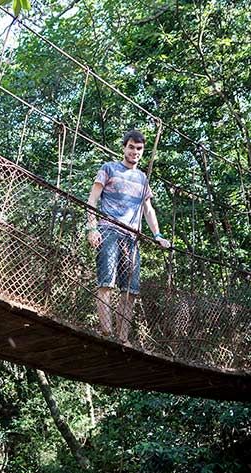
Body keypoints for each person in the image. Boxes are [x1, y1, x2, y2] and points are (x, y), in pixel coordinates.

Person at [86, 129, 171, 341]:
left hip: (131, 238)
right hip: (109, 229)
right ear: (124, 147)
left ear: (143, 151)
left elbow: (148, 210)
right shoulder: (109, 168)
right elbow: (92, 199)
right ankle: (106, 333)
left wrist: (158, 234)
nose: (135, 151)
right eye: (131, 147)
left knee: (130, 291)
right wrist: (92, 228)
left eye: (139, 148)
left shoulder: (143, 178)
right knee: (106, 282)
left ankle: (122, 340)